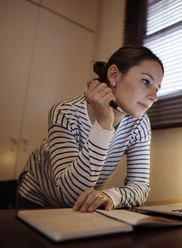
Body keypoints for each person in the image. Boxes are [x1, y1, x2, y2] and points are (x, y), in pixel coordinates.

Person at [16, 46, 164, 213]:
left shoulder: (140, 123)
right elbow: (71, 195)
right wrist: (103, 125)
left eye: (157, 88)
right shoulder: (65, 112)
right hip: (36, 197)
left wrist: (110, 196)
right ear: (114, 75)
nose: (154, 96)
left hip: (80, 208)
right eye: (146, 82)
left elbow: (140, 186)